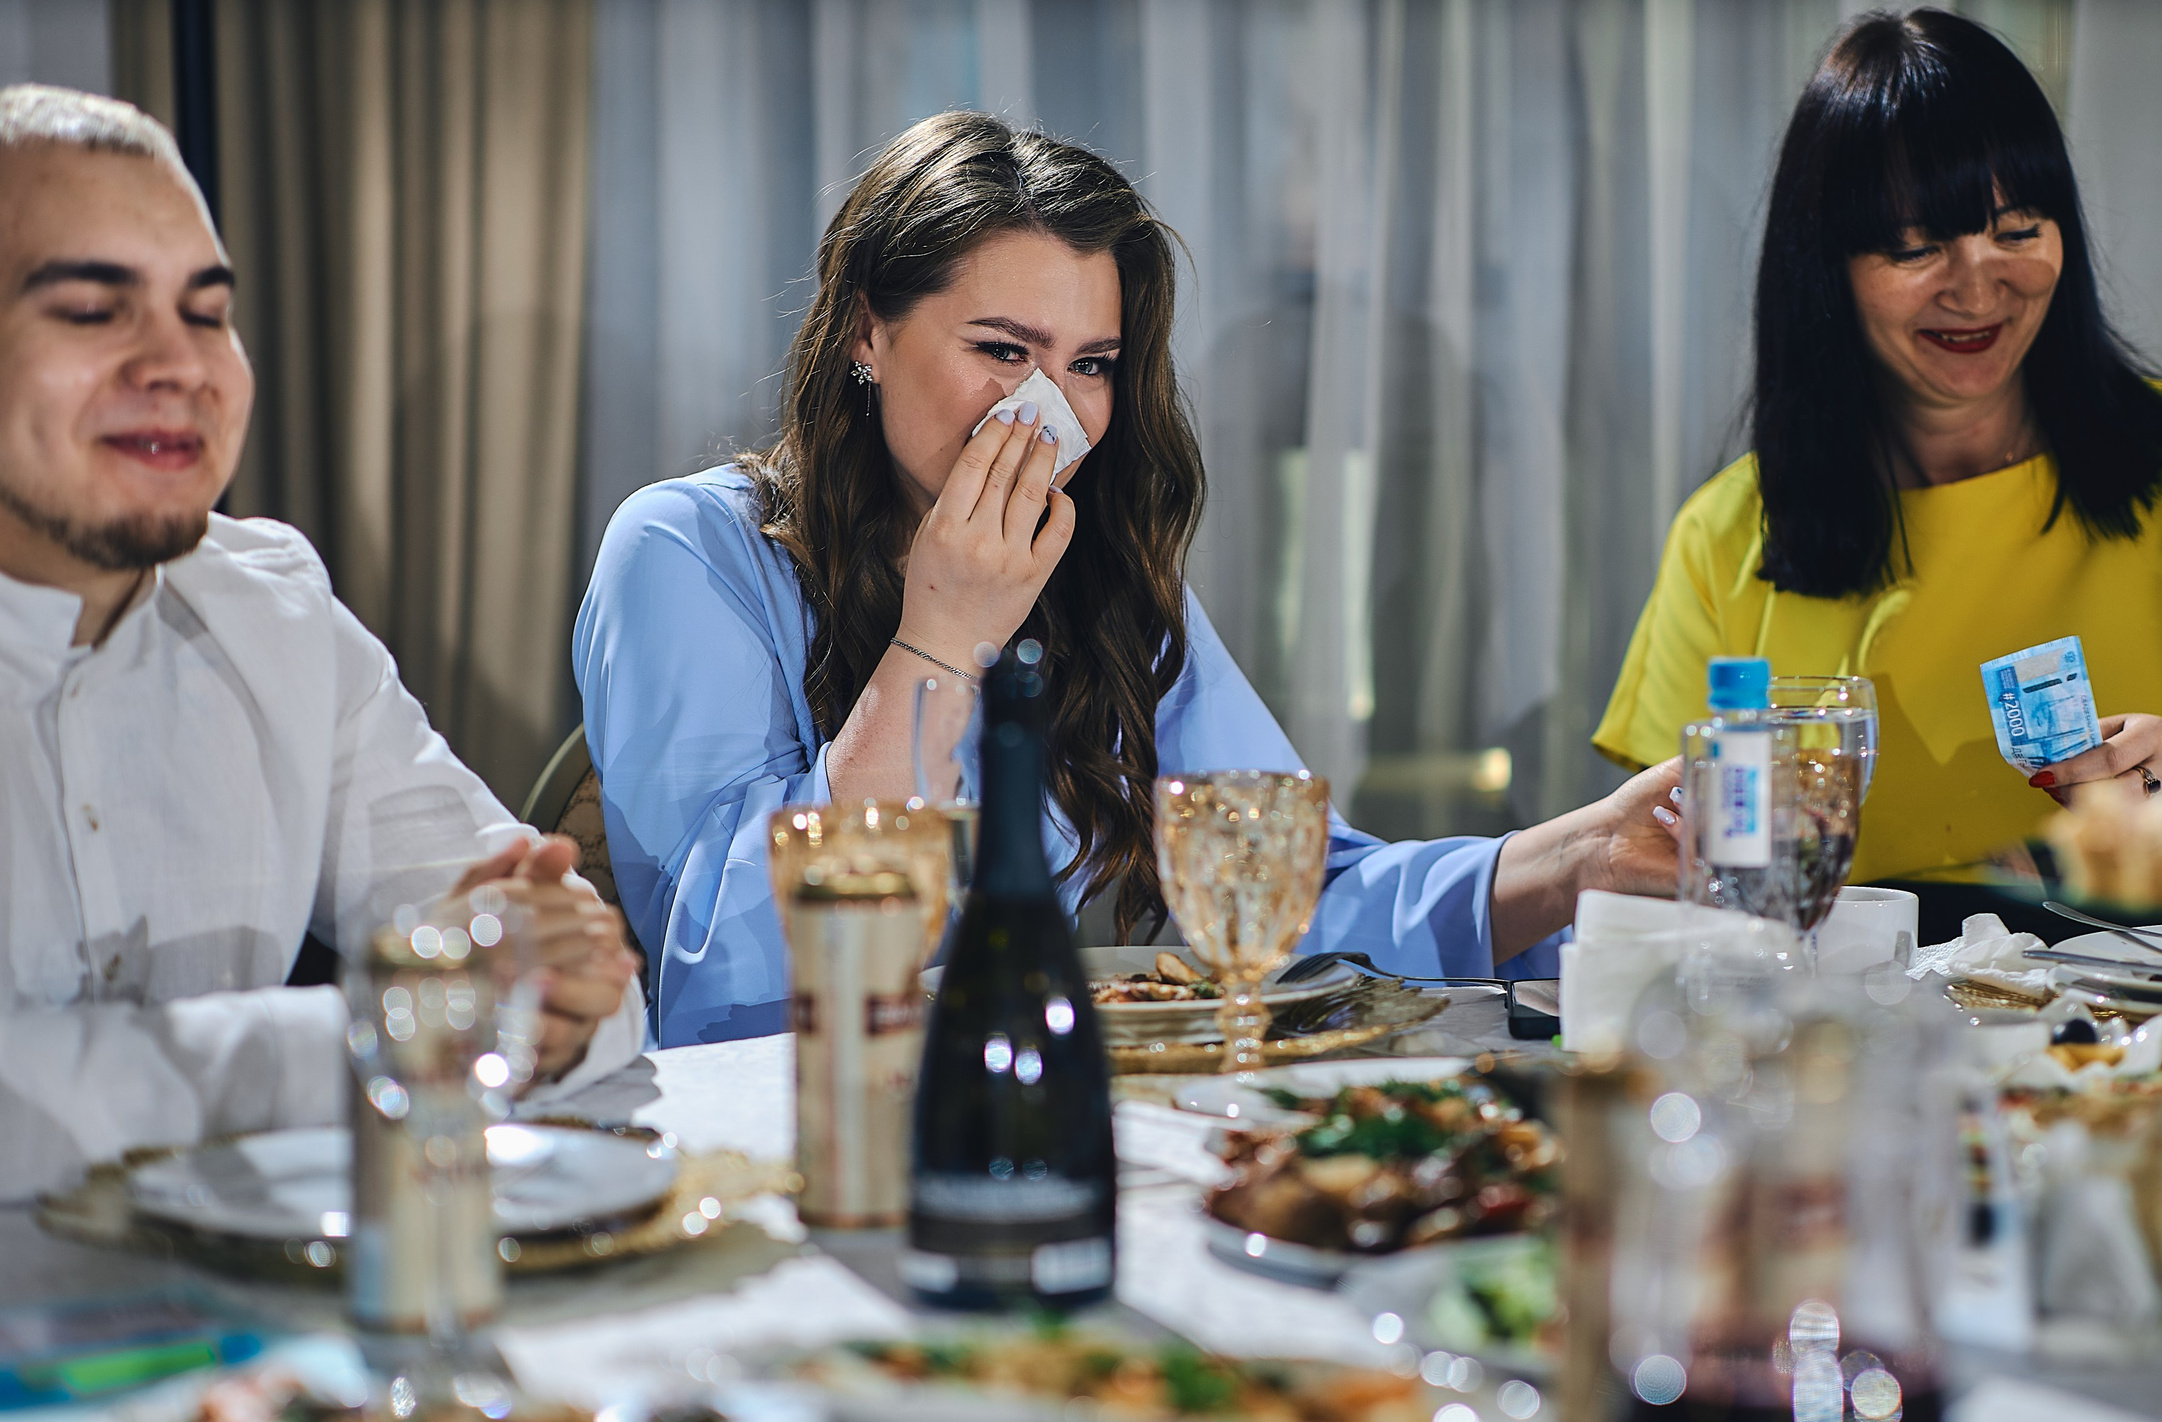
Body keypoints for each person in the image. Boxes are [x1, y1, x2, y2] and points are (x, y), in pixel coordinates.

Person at [577, 111, 1679, 1046]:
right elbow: (727, 976)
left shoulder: (1085, 572)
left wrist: (1573, 859)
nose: (1044, 415)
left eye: (1088, 367)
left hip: (1038, 1099)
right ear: (868, 328)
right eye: (1003, 352)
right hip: (795, 1131)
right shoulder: (685, 551)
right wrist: (941, 639)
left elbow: (1282, 892)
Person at [1594, 10, 2162, 920]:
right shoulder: (1730, 535)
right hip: (1840, 1047)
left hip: (2151, 1048)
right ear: (1824, 267)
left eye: (2019, 229)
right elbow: (1656, 896)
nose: (1979, 284)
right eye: (1916, 246)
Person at [0, 86, 643, 1196]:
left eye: (206, 313)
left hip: (252, 1331)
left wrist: (555, 986)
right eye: (96, 311)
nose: (180, 365)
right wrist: (395, 1031)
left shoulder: (274, 613)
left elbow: (574, 980)